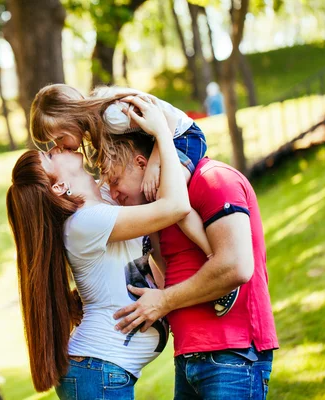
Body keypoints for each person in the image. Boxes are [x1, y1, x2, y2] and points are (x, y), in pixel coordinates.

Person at [7, 96, 191, 398]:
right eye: (48, 156)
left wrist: (156, 145)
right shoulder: (86, 222)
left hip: (100, 371)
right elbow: (175, 206)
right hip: (98, 370)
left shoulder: (106, 198)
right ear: (57, 187)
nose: (54, 147)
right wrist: (161, 134)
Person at [30, 83, 239, 317]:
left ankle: (214, 259)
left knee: (168, 196)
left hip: (183, 138)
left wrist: (155, 164)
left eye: (59, 137)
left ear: (69, 114)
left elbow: (165, 123)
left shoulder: (111, 116)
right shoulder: (97, 128)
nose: (60, 146)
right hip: (162, 145)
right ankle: (166, 285)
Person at [102, 132, 278, 399]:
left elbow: (236, 266)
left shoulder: (214, 179)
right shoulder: (162, 211)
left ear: (141, 164)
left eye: (115, 181)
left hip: (233, 356)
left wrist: (163, 301)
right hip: (188, 357)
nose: (113, 193)